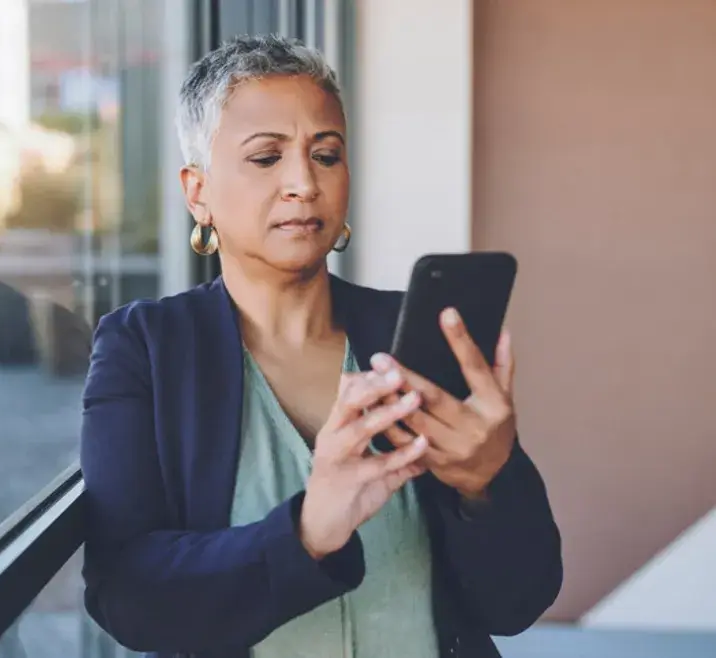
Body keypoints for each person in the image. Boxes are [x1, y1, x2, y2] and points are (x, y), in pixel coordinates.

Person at [79, 35, 562, 658]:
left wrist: (487, 485)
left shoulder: (409, 336)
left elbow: (519, 603)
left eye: (326, 154)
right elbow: (127, 594)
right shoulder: (144, 347)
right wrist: (307, 532)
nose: (304, 183)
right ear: (197, 191)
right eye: (265, 158)